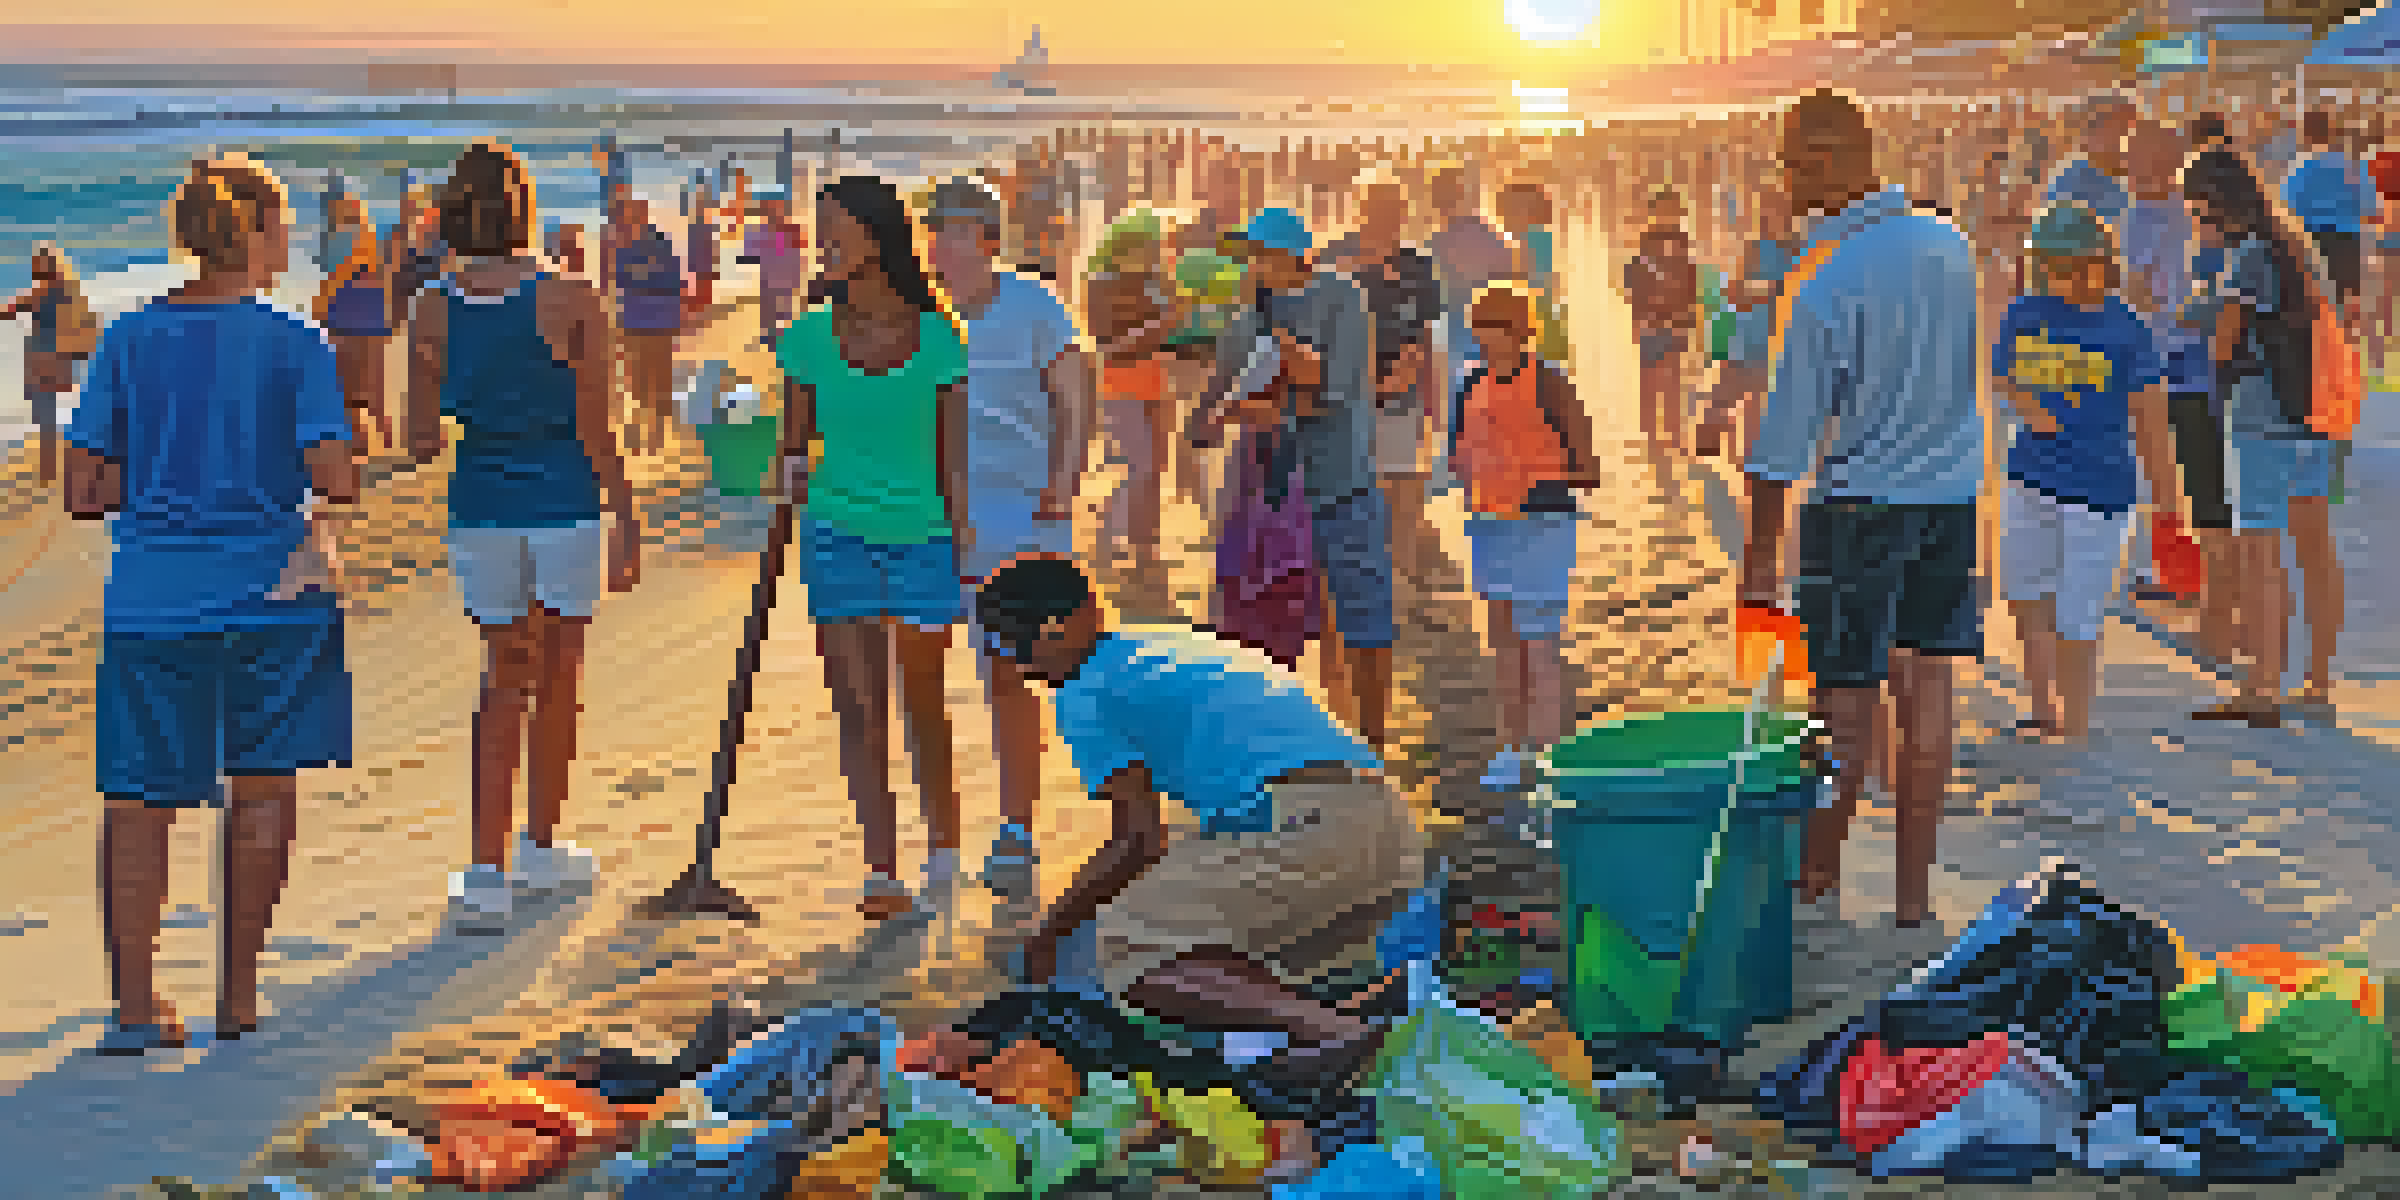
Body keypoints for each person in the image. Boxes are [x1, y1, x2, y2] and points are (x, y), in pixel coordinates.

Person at [962, 555, 1424, 1177]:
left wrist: (1047, 936)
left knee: (1128, 945)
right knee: (1202, 939)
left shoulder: (1085, 690)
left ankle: (1330, 1032)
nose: (1016, 667)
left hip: (1315, 831)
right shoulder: (1158, 644)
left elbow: (1138, 841)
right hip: (1386, 830)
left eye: (1012, 646)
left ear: (1054, 630)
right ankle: (1348, 1017)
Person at [65, 154, 359, 1052]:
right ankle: (238, 998)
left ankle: (135, 1008)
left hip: (152, 597)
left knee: (137, 802)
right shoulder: (296, 341)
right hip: (271, 591)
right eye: (283, 230)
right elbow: (334, 477)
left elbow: (83, 488)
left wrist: (161, 476)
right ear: (261, 234)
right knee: (261, 792)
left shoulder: (126, 338)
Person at [1744, 90, 1985, 929]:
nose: (1785, 180)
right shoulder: (1949, 243)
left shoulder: (1825, 282)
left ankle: (1818, 886)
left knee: (1843, 705)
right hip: (1951, 500)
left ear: (1827, 158)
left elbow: (1781, 446)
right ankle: (1913, 902)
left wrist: (1756, 562)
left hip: (1858, 508)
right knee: (1927, 690)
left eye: (1793, 164)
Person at [406, 142, 635, 927]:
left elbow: (419, 441)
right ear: (525, 209)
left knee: (503, 678)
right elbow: (597, 429)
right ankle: (540, 843)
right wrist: (628, 515)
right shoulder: (572, 296)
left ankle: (484, 868)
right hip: (565, 502)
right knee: (561, 673)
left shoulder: (432, 304)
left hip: (482, 508)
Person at [775, 174, 969, 921]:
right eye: (817, 232)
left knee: (921, 697)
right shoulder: (812, 334)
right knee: (859, 707)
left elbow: (953, 459)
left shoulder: (937, 335)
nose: (821, 246)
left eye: (834, 232)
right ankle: (881, 866)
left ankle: (944, 848)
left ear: (876, 237)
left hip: (922, 537)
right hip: (836, 532)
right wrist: (787, 468)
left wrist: (962, 541)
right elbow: (795, 444)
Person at [923, 178, 1093, 901]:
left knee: (1014, 673)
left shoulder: (1032, 304)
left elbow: (1076, 391)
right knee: (926, 677)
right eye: (933, 229)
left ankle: (1017, 827)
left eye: (955, 230)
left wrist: (1064, 480)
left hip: (1025, 516)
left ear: (988, 240)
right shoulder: (918, 315)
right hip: (936, 522)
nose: (940, 242)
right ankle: (936, 845)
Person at [1191, 208, 1393, 754]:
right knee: (1266, 630)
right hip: (1270, 498)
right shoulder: (1244, 318)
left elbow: (1339, 392)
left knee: (1365, 625)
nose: (1254, 264)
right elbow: (1208, 409)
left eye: (1264, 253)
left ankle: (1372, 744)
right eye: (1249, 255)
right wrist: (1212, 418)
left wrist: (1272, 401)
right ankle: (1293, 747)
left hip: (1340, 484)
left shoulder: (1341, 297)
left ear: (1297, 254)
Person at [1991, 202, 2176, 745]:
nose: (2060, 278)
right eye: (2049, 266)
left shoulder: (2127, 329)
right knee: (2025, 592)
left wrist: (2167, 500)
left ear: (2104, 264)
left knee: (2079, 609)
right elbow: (2001, 374)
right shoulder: (2025, 313)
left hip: (2099, 487)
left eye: (2072, 266)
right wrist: (2026, 402)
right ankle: (2042, 705)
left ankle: (2073, 722)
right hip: (2029, 476)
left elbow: (2150, 421)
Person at [2178, 149, 2343, 725]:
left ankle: (2261, 688)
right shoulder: (2301, 247)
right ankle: (2317, 680)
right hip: (2317, 420)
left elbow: (2226, 342)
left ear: (2214, 204)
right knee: (2317, 554)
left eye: (2197, 211)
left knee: (2261, 556)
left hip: (2260, 418)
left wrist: (2201, 309)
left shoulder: (2248, 255)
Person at [1451, 283, 1601, 791]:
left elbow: (1589, 467)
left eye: (1502, 329)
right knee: (1505, 648)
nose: (1492, 340)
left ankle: (1549, 758)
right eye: (1484, 329)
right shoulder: (1470, 384)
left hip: (1543, 528)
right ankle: (1511, 751)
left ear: (1522, 332)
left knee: (1540, 649)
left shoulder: (1549, 383)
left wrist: (1534, 482)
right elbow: (1456, 457)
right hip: (1489, 528)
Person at [2122, 119, 2238, 664]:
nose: (2135, 163)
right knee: (2154, 472)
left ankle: (2191, 582)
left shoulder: (2187, 222)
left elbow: (2177, 297)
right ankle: (2164, 567)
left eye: (2146, 153)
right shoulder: (2133, 213)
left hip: (2182, 368)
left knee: (2184, 479)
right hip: (2147, 362)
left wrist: (2146, 295)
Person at [1322, 169, 1445, 587]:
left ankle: (1401, 576)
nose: (1386, 219)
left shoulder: (1418, 266)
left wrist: (1433, 402)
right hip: (1346, 397)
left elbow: (1426, 336)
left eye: (1393, 211)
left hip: (1403, 396)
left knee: (1405, 491)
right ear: (1360, 212)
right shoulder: (1334, 258)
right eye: (1376, 210)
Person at [1083, 211, 1185, 584]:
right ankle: (1109, 540)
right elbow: (1107, 346)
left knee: (1156, 470)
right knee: (1140, 468)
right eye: (1151, 244)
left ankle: (1146, 550)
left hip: (1155, 381)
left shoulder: (1157, 280)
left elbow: (1174, 331)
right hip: (1119, 384)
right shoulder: (1101, 284)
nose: (1158, 251)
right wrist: (1158, 325)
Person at [1698, 182, 1794, 463]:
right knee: (1725, 401)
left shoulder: (1799, 248)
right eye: (1769, 211)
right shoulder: (1754, 248)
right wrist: (1768, 291)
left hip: (1780, 341)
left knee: (1763, 406)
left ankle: (1752, 459)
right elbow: (1736, 292)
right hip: (1749, 338)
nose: (1775, 216)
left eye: (1781, 211)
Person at [2, 244, 98, 484]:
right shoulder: (71, 293)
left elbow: (8, 311)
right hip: (63, 362)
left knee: (45, 419)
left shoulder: (39, 294)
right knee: (54, 416)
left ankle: (47, 474)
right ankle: (60, 467)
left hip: (42, 362)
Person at [1624, 188, 1700, 482]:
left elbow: (1691, 277)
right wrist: (1637, 316)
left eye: (1673, 210)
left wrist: (1691, 314)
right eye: (1664, 210)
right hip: (1651, 320)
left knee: (1673, 380)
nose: (1668, 216)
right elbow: (1634, 278)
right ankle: (1651, 436)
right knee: (1650, 380)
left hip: (1676, 319)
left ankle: (1675, 434)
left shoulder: (1682, 243)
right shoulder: (1646, 243)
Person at [315, 191, 396, 452]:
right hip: (374, 322)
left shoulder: (334, 242)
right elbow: (383, 278)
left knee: (348, 386)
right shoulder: (370, 240)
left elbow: (332, 282)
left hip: (344, 322)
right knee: (376, 386)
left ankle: (362, 441)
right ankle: (386, 437)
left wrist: (320, 313)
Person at [2281, 110, 2375, 320]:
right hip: (2349, 237)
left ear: (2305, 136)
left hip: (2313, 238)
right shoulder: (2351, 165)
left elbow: (2288, 207)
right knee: (2350, 297)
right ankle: (2351, 337)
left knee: (2320, 298)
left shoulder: (2300, 169)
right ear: (2331, 133)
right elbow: (2369, 203)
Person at [612, 196, 683, 456]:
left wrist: (642, 275)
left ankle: (657, 433)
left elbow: (673, 281)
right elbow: (620, 280)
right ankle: (644, 429)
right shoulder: (624, 246)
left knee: (659, 378)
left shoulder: (661, 243)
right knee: (637, 380)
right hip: (633, 321)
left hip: (660, 322)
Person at [739, 187, 808, 351]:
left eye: (772, 205)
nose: (769, 209)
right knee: (770, 310)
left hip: (785, 278)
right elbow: (750, 253)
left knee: (784, 311)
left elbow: (797, 253)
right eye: (766, 206)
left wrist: (797, 275)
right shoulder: (760, 230)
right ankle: (772, 339)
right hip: (769, 279)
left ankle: (782, 339)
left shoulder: (790, 229)